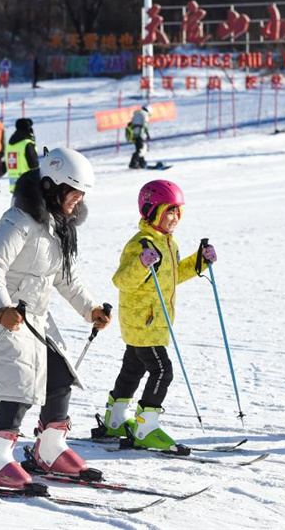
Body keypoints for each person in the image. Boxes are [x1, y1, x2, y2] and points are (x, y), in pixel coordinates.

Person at [0, 147, 111, 490]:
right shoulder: (19, 220)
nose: (78, 200)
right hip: (3, 316)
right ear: (51, 186)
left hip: (35, 317)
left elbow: (66, 277)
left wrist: (90, 308)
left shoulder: (59, 225)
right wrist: (1, 308)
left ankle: (49, 448)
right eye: (73, 193)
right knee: (22, 385)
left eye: (81, 195)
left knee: (60, 375)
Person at [98, 180, 216, 451]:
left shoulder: (168, 244)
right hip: (144, 323)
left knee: (133, 368)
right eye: (168, 211)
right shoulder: (140, 244)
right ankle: (146, 426)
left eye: (177, 211)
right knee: (163, 370)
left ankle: (115, 419)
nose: (174, 218)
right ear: (152, 211)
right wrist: (141, 263)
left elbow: (173, 277)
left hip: (152, 322)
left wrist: (201, 260)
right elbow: (122, 281)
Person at [5, 118, 39, 194]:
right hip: (28, 185)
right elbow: (34, 165)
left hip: (14, 185)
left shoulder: (10, 145)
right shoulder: (27, 144)